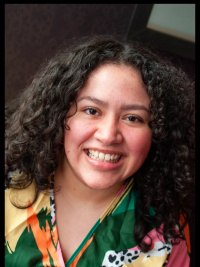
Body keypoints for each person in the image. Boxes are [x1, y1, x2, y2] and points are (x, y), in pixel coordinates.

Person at [5, 35, 195, 267]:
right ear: (58, 113)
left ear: (158, 133)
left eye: (133, 118)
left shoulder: (167, 238)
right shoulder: (8, 181)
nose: (108, 135)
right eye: (92, 110)